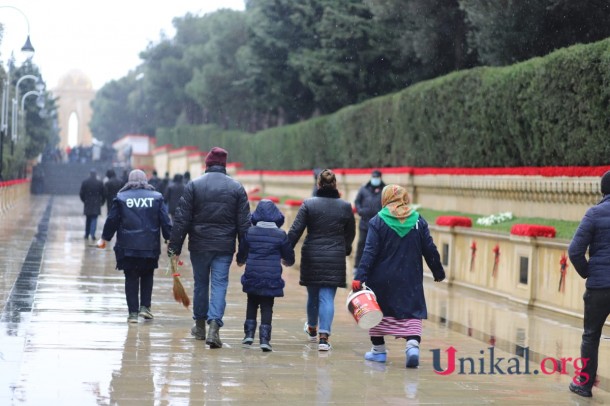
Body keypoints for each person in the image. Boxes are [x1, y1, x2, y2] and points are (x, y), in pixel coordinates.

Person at [352, 184, 445, 368]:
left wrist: (360, 276)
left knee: (378, 312)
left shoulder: (378, 221)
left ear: (385, 199)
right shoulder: (418, 221)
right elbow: (430, 249)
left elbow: (369, 251)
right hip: (410, 277)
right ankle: (412, 346)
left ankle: (378, 351)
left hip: (382, 279)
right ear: (405, 198)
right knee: (411, 310)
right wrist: (438, 271)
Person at [168, 147, 250, 348]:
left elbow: (182, 219)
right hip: (224, 246)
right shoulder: (236, 188)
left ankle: (200, 326)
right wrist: (243, 252)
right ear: (224, 165)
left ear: (207, 164)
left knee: (201, 284)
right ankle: (214, 326)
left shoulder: (194, 186)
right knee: (219, 285)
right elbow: (244, 224)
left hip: (199, 244)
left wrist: (175, 246)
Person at [288, 169, 356, 351]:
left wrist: (285, 250)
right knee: (327, 297)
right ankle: (324, 337)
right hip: (334, 257)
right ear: (335, 185)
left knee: (313, 295)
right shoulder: (345, 206)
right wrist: (346, 248)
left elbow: (296, 230)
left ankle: (311, 328)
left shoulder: (309, 204)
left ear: (318, 185)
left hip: (312, 255)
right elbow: (350, 233)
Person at [98, 169, 172, 323]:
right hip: (149, 246)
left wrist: (105, 238)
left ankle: (132, 313)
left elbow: (112, 220)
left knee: (130, 277)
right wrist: (169, 238)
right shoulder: (156, 197)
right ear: (145, 180)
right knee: (147, 275)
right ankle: (145, 307)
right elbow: (165, 220)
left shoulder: (121, 197)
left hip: (127, 247)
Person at [567, 170, 610, 398]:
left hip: (599, 289)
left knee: (591, 336)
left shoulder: (593, 214)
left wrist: (588, 273)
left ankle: (584, 385)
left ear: (603, 190)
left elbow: (574, 251)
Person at [236, 199, 295, 352]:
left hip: (252, 274)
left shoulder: (250, 232)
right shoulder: (280, 234)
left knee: (252, 302)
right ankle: (264, 339)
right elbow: (289, 256)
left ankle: (248, 335)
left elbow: (242, 251)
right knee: (267, 306)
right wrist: (287, 261)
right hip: (271, 276)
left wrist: (240, 261)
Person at [354, 170, 386, 271]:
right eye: (373, 177)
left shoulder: (384, 190)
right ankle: (357, 266)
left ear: (380, 178)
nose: (375, 179)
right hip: (364, 223)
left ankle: (375, 267)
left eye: (377, 177)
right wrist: (360, 210)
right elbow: (357, 201)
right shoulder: (364, 189)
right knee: (361, 244)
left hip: (378, 223)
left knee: (377, 246)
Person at [79, 168, 105, 241]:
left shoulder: (85, 182)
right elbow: (103, 193)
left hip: (88, 202)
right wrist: (102, 202)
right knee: (94, 218)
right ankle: (92, 234)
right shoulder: (99, 183)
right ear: (96, 174)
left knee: (88, 219)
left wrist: (84, 200)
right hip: (96, 203)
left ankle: (86, 234)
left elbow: (81, 193)